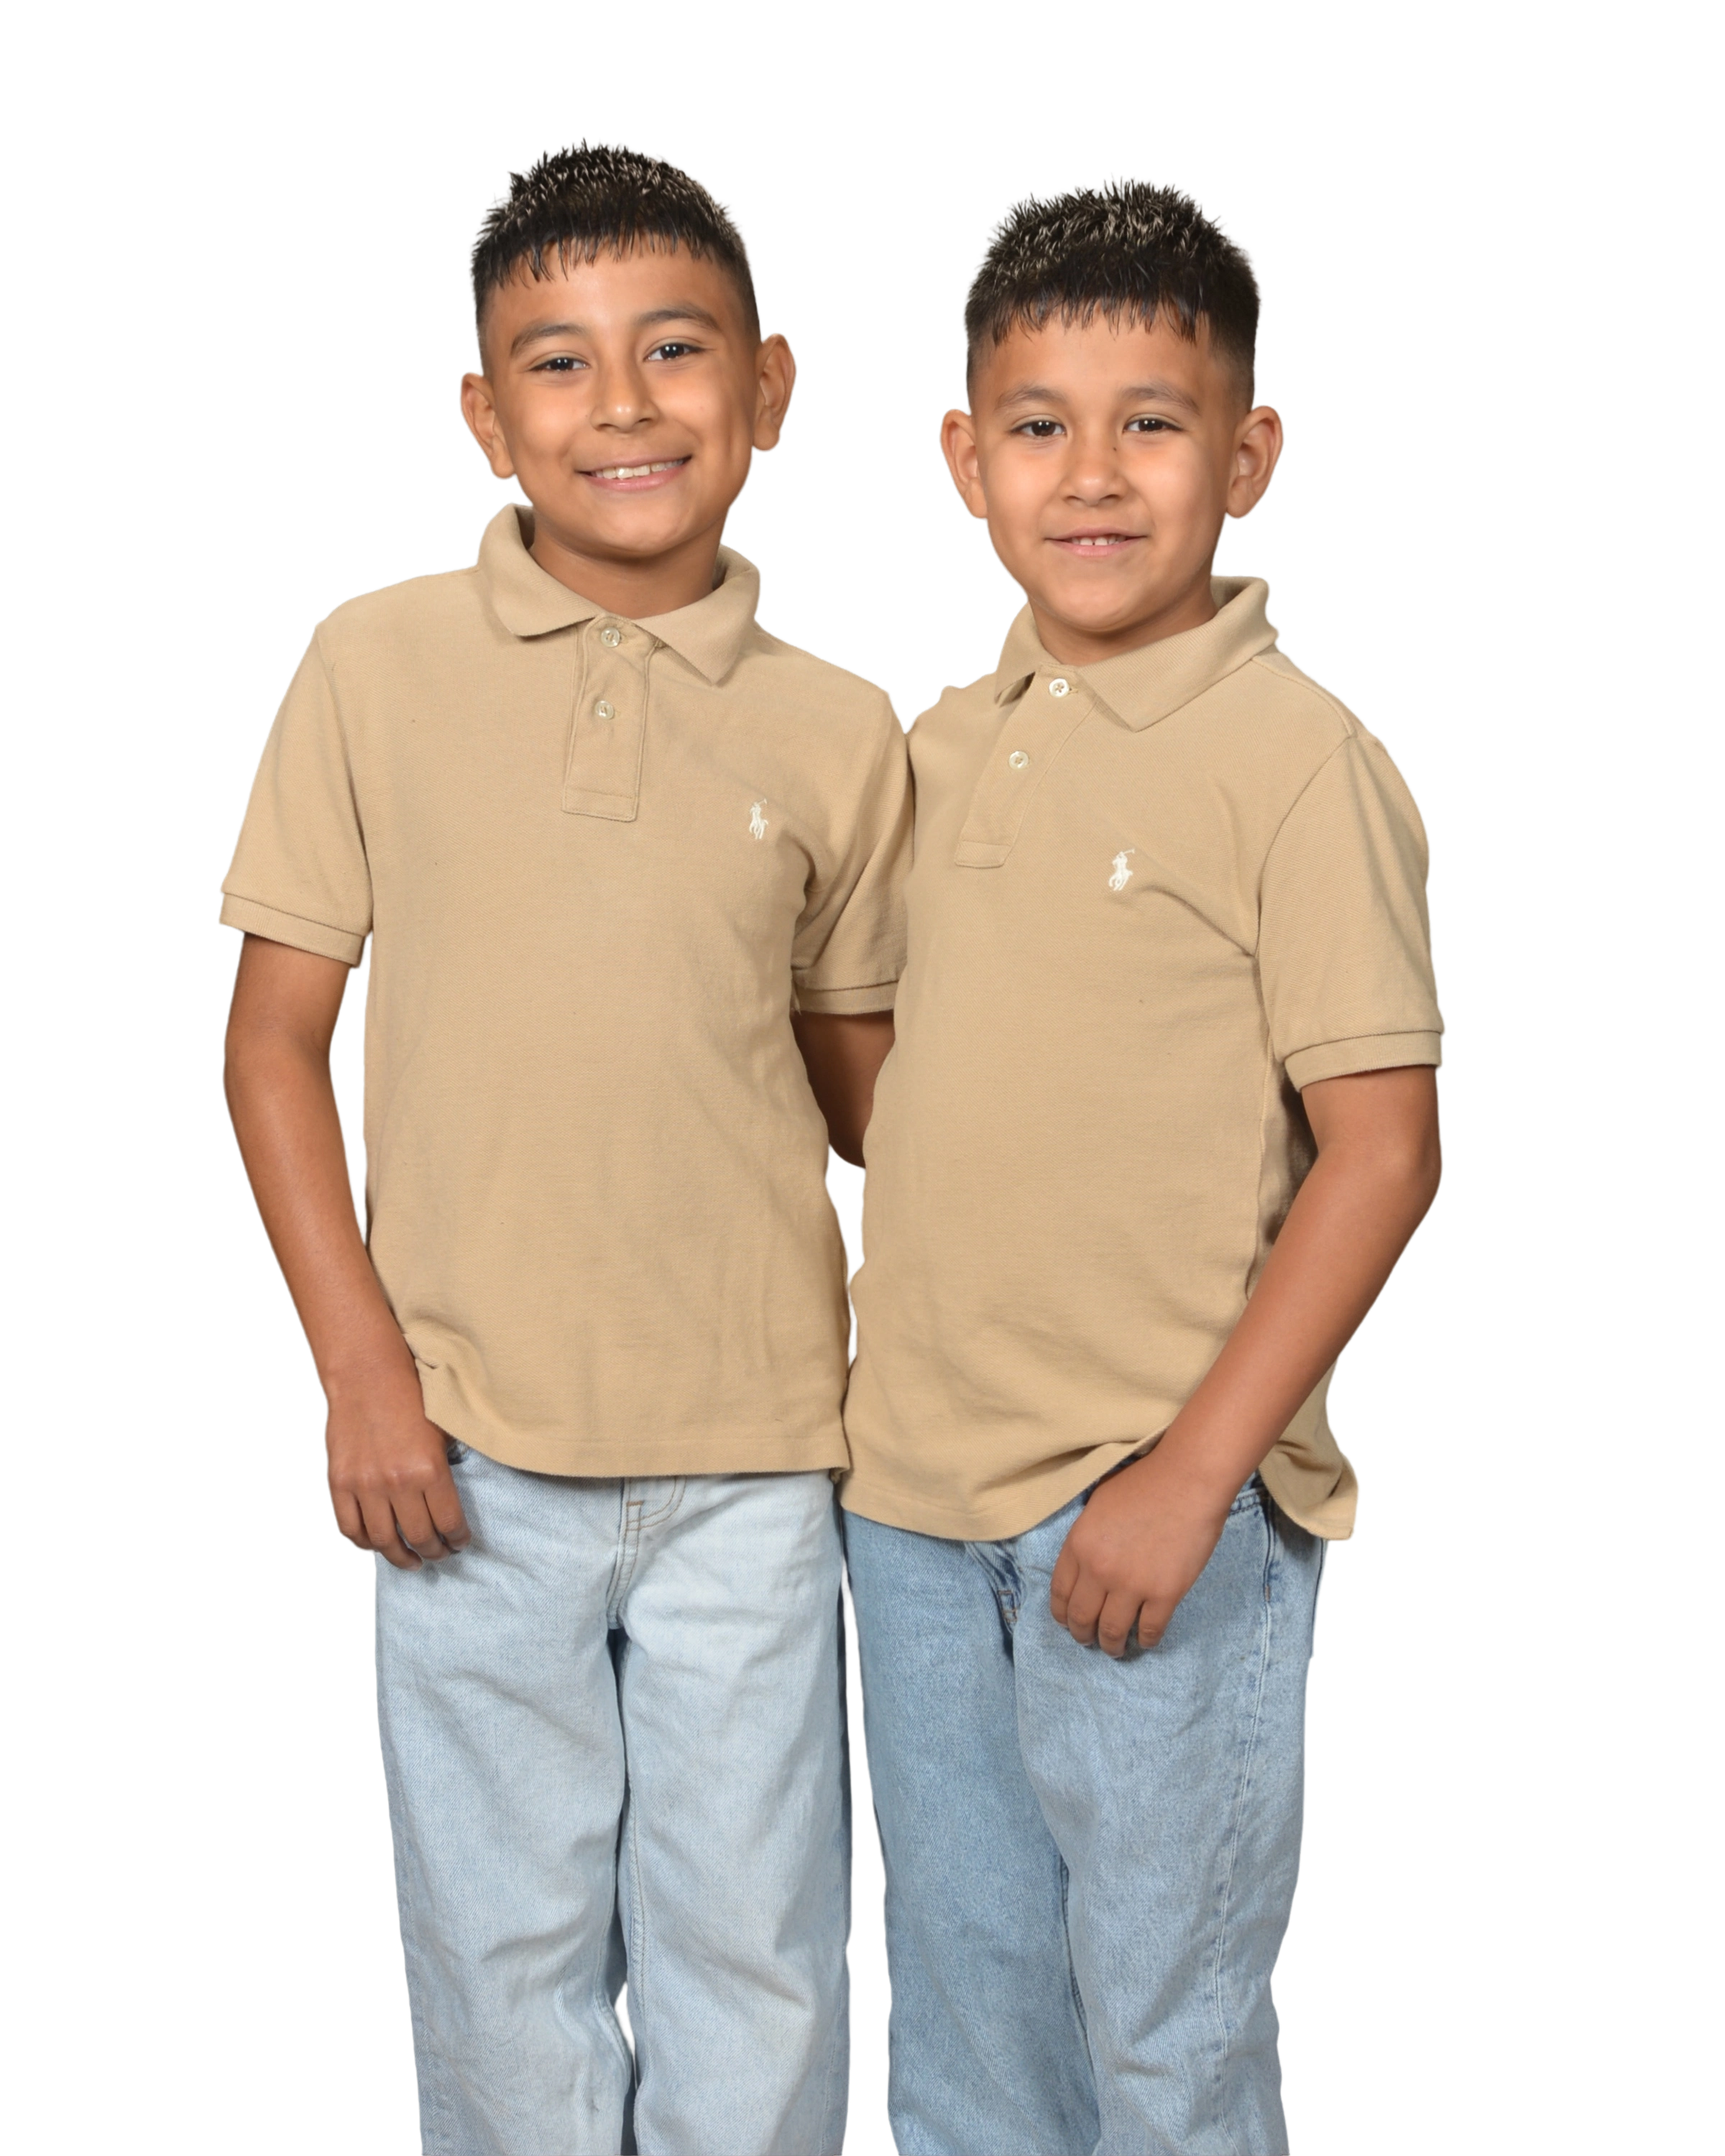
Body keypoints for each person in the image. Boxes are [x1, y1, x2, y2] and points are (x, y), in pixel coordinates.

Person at [216, 135, 908, 2156]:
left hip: (763, 1456)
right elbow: (272, 1045)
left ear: (769, 388)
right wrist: (363, 1377)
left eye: (675, 348)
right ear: (483, 414)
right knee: (504, 1963)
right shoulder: (371, 668)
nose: (624, 405)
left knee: (754, 1960)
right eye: (558, 361)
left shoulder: (846, 732)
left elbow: (870, 1093)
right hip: (466, 1452)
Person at [841, 171, 1446, 2156]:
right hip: (914, 1508)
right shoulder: (934, 752)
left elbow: (1383, 1150)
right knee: (969, 2025)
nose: (1090, 475)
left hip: (1160, 1513)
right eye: (1038, 424)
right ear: (966, 463)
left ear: (1247, 457)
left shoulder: (1300, 763)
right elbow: (905, 1075)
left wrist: (1192, 1474)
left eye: (1152, 422)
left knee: (1167, 2037)